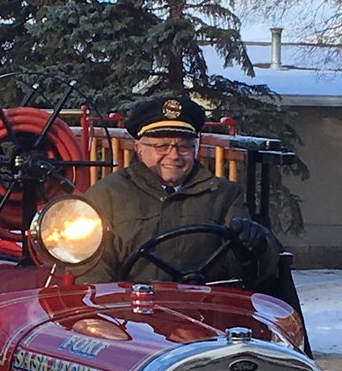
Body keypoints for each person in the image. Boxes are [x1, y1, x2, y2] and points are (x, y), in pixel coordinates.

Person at [81, 93, 291, 298]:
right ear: (139, 149)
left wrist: (249, 250)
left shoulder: (224, 196)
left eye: (184, 147)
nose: (174, 156)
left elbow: (250, 276)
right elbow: (91, 271)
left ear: (195, 150)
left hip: (203, 310)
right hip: (129, 312)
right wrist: (115, 307)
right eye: (161, 146)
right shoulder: (106, 196)